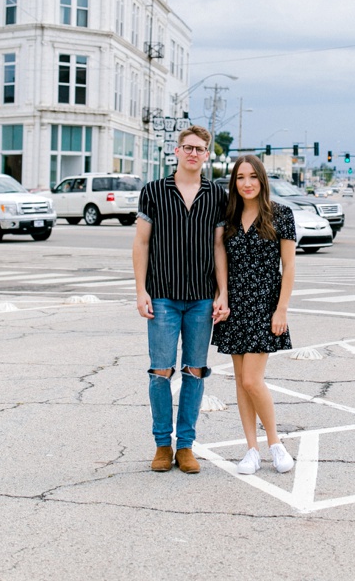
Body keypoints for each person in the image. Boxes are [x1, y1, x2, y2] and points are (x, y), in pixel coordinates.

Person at [131, 125, 229, 473]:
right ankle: (162, 444)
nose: (193, 153)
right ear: (176, 151)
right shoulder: (155, 191)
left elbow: (219, 247)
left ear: (206, 155)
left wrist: (223, 294)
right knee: (160, 371)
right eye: (187, 147)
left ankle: (186, 446)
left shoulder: (216, 195)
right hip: (163, 298)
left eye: (199, 149)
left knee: (194, 371)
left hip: (202, 299)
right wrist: (141, 290)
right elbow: (142, 243)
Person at [212, 153, 297, 474]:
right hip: (235, 305)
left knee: (252, 379)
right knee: (240, 381)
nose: (246, 183)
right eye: (240, 177)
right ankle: (251, 449)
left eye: (252, 176)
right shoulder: (229, 217)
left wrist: (281, 309)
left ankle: (275, 444)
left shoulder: (281, 215)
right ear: (234, 183)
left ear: (262, 179)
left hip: (265, 304)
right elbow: (221, 258)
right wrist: (221, 295)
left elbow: (288, 266)